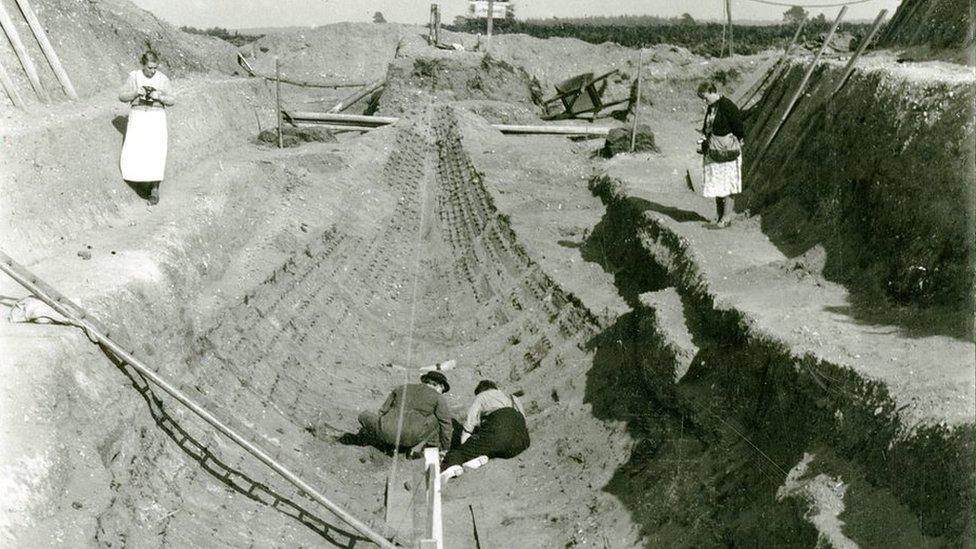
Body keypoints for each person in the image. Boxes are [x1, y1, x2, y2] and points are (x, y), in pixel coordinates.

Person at [118, 51, 175, 205]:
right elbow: (121, 96)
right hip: (138, 117)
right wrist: (135, 93)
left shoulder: (162, 79)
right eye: (150, 68)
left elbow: (172, 99)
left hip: (156, 117)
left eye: (155, 67)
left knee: (156, 152)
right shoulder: (134, 77)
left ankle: (155, 189)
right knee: (138, 150)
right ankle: (141, 184)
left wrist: (160, 97)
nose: (153, 71)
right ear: (143, 65)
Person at [441, 380, 530, 476]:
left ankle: (455, 465)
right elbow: (523, 420)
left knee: (458, 453)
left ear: (480, 391)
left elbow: (469, 425)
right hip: (522, 441)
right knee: (494, 444)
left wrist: (465, 447)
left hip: (500, 433)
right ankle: (481, 458)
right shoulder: (513, 398)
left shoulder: (482, 396)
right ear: (496, 388)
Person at [354, 371, 453, 454]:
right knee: (437, 420)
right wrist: (446, 449)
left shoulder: (402, 388)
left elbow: (383, 411)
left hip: (385, 432)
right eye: (442, 391)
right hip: (411, 438)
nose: (442, 393)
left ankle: (384, 444)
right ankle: (423, 451)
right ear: (440, 386)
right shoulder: (438, 397)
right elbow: (446, 425)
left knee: (364, 415)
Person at [696, 81, 745, 227]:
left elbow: (738, 127)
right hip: (715, 149)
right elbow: (707, 127)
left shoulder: (727, 106)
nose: (705, 101)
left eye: (705, 98)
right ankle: (719, 216)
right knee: (717, 182)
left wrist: (737, 139)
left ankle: (726, 218)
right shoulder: (712, 107)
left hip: (726, 150)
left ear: (712, 92)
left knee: (729, 183)